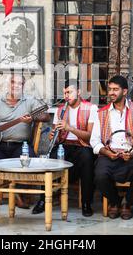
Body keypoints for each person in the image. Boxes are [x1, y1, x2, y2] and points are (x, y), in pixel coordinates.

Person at [0, 73, 51, 207]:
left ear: (23, 86)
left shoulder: (30, 101)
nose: (16, 86)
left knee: (29, 156)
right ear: (8, 85)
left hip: (20, 146)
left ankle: (20, 193)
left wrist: (33, 118)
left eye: (19, 83)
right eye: (13, 82)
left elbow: (46, 116)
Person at [32, 80, 98, 217]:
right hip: (65, 145)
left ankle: (86, 203)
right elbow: (57, 136)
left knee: (87, 158)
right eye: (65, 93)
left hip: (83, 146)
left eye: (70, 92)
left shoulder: (91, 108)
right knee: (49, 160)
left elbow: (90, 137)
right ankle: (43, 200)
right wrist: (52, 136)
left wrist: (70, 128)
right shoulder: (60, 110)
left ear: (79, 92)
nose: (67, 95)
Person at [90, 75, 133, 220]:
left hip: (132, 155)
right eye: (110, 89)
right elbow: (94, 141)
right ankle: (115, 202)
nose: (111, 92)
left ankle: (127, 203)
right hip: (109, 154)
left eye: (115, 89)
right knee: (99, 176)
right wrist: (107, 152)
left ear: (124, 91)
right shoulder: (101, 113)